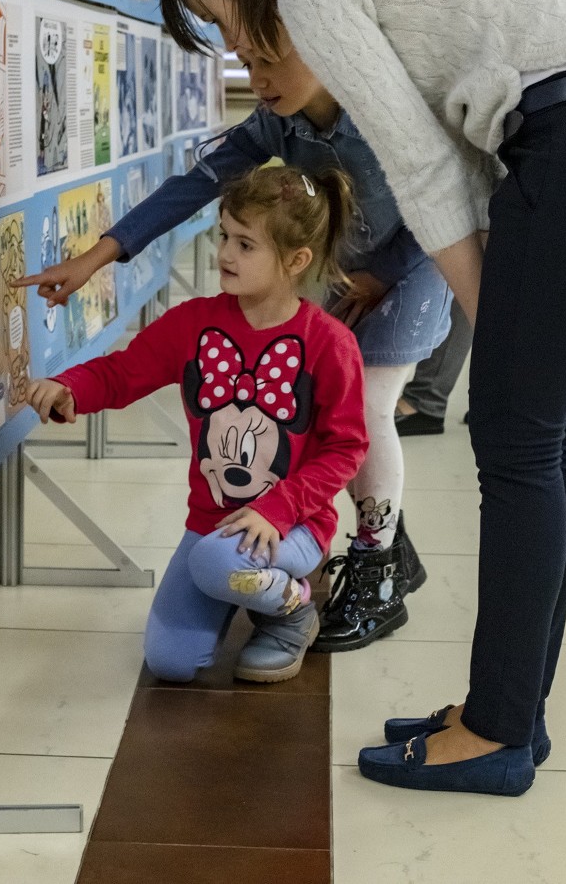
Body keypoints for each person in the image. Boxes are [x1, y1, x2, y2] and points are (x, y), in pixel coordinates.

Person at [160, 0, 566, 796]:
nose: (233, 46)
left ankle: (499, 729)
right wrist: (493, 310)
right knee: (543, 438)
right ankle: (513, 713)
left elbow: (426, 171)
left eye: (216, 17)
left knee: (518, 440)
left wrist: (485, 311)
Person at [18, 0, 454, 652]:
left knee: (372, 408)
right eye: (236, 52)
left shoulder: (383, 89)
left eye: (255, 48)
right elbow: (193, 186)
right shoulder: (276, 119)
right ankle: (385, 548)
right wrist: (99, 255)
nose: (244, 65)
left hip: (418, 265)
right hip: (347, 274)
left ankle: (378, 568)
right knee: (334, 414)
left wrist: (387, 274)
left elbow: (445, 192)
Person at [27, 166, 369, 684]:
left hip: (294, 525)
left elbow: (346, 449)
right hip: (211, 525)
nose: (226, 254)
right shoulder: (195, 323)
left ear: (296, 260)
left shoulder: (329, 343)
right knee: (171, 661)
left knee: (216, 565)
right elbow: (123, 372)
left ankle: (292, 610)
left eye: (246, 244)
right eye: (224, 236)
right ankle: (243, 586)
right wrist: (72, 386)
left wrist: (277, 510)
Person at [397, 0, 566, 437]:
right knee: (480, 258)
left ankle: (431, 397)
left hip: (512, 121)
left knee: (474, 257)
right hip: (506, 118)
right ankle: (455, 394)